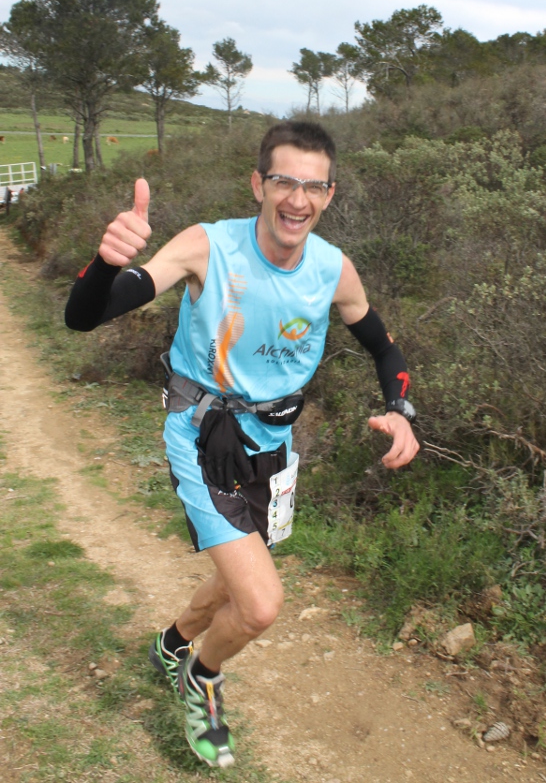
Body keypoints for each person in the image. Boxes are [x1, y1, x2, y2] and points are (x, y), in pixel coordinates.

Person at [65, 121, 419, 769]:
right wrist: (107, 263)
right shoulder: (208, 247)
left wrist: (400, 410)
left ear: (330, 195)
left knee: (234, 582)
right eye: (283, 181)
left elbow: (382, 346)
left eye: (313, 186)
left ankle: (172, 643)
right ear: (258, 184)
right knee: (258, 604)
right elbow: (84, 316)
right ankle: (201, 678)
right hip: (202, 436)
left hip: (273, 448)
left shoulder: (332, 270)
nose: (297, 199)